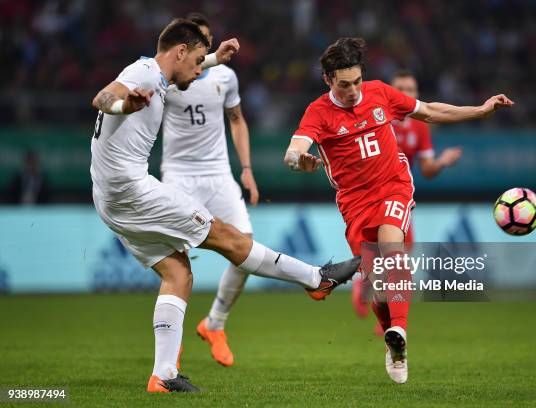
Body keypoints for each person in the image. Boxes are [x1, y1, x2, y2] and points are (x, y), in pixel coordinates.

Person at [90, 20, 360, 393]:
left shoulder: (160, 73)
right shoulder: (144, 73)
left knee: (178, 274)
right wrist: (124, 103)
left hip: (108, 197)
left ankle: (163, 376)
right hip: (132, 190)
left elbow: (183, 72)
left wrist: (216, 57)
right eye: (199, 59)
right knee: (227, 238)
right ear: (181, 51)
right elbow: (102, 98)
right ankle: (316, 279)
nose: (202, 68)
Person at [284, 38, 513, 384]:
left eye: (357, 81)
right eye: (344, 84)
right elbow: (294, 149)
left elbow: (431, 111)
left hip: (394, 186)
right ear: (328, 80)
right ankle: (395, 346)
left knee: (393, 249)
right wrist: (298, 162)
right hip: (354, 202)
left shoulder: (380, 93)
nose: (352, 90)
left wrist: (480, 110)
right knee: (377, 284)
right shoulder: (318, 112)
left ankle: (400, 330)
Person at [161, 13, 258, 368]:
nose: (199, 53)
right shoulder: (168, 78)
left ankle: (214, 323)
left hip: (218, 173)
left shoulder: (225, 77)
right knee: (175, 260)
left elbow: (237, 120)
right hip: (179, 175)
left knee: (245, 248)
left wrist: (246, 169)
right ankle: (172, 343)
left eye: (204, 44)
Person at [351, 70, 463, 329]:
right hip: (367, 196)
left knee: (400, 256)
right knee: (381, 257)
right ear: (391, 92)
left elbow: (426, 170)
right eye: (400, 88)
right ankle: (368, 288)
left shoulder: (419, 127)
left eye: (411, 90)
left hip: (397, 196)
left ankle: (385, 314)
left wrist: (442, 162)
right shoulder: (377, 117)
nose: (406, 94)